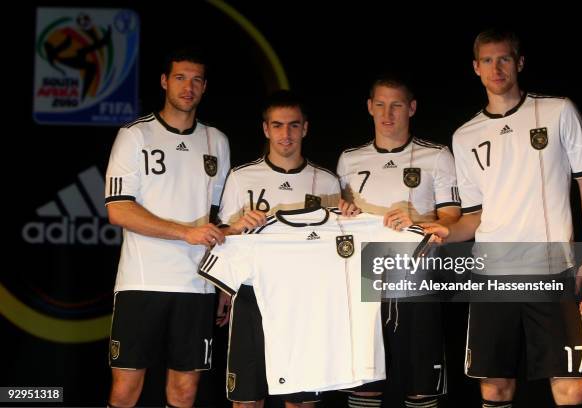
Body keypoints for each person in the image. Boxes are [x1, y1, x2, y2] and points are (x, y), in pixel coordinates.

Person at [422, 29, 582, 408]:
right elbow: (474, 217)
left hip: (552, 269)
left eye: (504, 58)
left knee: (571, 387)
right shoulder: (465, 135)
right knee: (494, 387)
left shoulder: (557, 110)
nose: (496, 67)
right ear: (475, 68)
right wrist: (448, 230)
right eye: (487, 60)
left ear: (519, 63)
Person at [104, 47, 230, 408]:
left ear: (204, 87)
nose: (187, 87)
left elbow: (220, 217)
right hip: (142, 282)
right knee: (125, 391)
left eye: (196, 80)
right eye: (179, 77)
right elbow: (119, 210)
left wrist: (224, 283)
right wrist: (184, 232)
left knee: (184, 392)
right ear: (164, 81)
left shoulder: (216, 141)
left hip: (196, 287)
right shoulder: (134, 136)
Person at [336, 74, 461, 408]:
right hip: (365, 290)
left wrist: (419, 221)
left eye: (396, 105)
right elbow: (340, 223)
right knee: (365, 388)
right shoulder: (349, 160)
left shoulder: (436, 156)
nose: (387, 113)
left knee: (421, 389)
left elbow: (452, 218)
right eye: (380, 104)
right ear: (369, 107)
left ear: (412, 108)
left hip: (418, 287)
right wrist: (343, 210)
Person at [216, 90, 340, 408]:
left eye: (293, 125)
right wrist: (224, 291)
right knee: (247, 400)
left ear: (305, 128)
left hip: (304, 303)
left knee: (300, 401)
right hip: (252, 297)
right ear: (266, 129)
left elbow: (337, 247)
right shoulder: (242, 177)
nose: (286, 134)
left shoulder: (326, 181)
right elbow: (224, 237)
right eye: (278, 125)